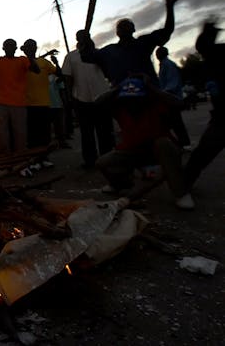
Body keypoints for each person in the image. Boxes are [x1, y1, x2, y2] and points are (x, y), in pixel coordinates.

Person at [95, 75, 190, 209]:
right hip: (133, 151)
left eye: (136, 99)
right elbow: (97, 103)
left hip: (158, 152)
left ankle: (180, 193)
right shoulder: (120, 109)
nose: (132, 104)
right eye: (128, 100)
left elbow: (179, 104)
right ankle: (121, 185)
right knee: (103, 162)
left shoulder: (154, 105)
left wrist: (151, 88)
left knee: (163, 144)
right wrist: (118, 88)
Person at [79, 0, 188, 85]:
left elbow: (167, 31)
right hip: (121, 97)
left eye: (127, 26)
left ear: (133, 30)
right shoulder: (108, 51)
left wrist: (170, 7)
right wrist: (85, 42)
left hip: (148, 93)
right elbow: (87, 56)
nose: (124, 27)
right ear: (117, 32)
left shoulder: (144, 43)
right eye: (121, 27)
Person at [183, 20, 225, 199]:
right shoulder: (214, 55)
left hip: (222, 119)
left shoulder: (217, 53)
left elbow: (202, 45)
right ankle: (183, 185)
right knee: (201, 154)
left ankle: (183, 184)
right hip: (221, 117)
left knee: (202, 154)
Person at [62, 30, 115, 169]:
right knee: (87, 133)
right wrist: (70, 98)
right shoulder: (71, 57)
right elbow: (68, 78)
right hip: (81, 98)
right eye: (80, 37)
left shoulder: (99, 54)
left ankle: (108, 158)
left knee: (105, 132)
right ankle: (90, 161)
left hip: (102, 97)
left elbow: (109, 73)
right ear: (77, 39)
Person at [0, 37, 39, 158]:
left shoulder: (22, 60)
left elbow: (36, 70)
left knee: (20, 133)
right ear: (4, 48)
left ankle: (20, 157)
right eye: (8, 46)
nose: (10, 48)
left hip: (18, 103)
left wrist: (29, 55)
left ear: (16, 48)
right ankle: (4, 157)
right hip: (2, 103)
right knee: (2, 134)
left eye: (12, 46)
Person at [156, 46, 191, 148]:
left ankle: (184, 143)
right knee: (174, 122)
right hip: (169, 97)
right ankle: (181, 142)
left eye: (158, 53)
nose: (157, 55)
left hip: (171, 97)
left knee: (176, 122)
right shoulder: (164, 65)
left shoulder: (168, 65)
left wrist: (163, 93)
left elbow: (172, 82)